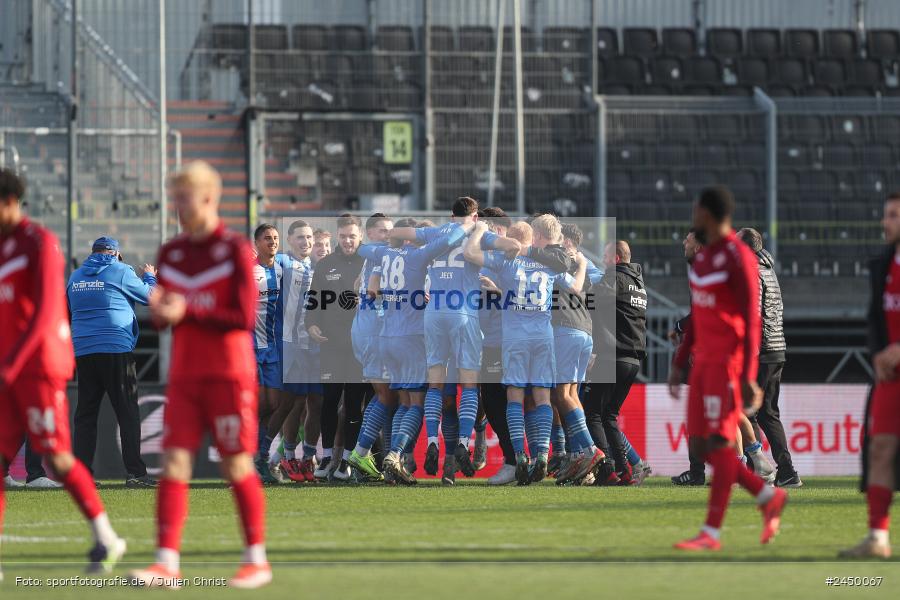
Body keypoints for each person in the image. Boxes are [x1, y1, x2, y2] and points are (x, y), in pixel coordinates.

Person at [130, 161, 270, 588]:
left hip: (228, 375)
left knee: (236, 464)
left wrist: (186, 310)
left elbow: (242, 318)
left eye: (185, 198)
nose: (179, 206)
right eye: (175, 198)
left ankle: (256, 560)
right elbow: (167, 318)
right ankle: (166, 564)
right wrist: (160, 312)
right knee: (173, 463)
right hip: (185, 375)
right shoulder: (171, 253)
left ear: (209, 198)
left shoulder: (233, 250)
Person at [0, 167, 126, 579]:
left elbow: (45, 313)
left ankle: (106, 536)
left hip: (37, 366)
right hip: (7, 368)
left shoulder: (39, 243)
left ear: (9, 202)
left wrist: (12, 364)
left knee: (56, 455)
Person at [668, 186, 787, 551]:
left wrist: (748, 375)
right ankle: (767, 498)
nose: (692, 217)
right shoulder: (702, 260)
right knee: (704, 446)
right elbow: (699, 316)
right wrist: (679, 362)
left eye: (696, 210)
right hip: (702, 364)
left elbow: (751, 320)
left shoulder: (739, 257)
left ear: (708, 213)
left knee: (718, 443)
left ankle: (711, 532)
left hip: (727, 363)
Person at [388, 197, 519, 479]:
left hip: (433, 315)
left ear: (451, 216)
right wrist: (491, 244)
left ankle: (432, 441)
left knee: (435, 385)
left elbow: (396, 233)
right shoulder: (478, 233)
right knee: (469, 386)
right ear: (475, 217)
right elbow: (513, 246)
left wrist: (396, 246)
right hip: (463, 314)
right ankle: (462, 442)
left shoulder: (435, 233)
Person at [464, 216, 588, 485]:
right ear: (532, 240)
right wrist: (582, 265)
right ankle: (542, 454)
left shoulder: (506, 260)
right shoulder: (549, 264)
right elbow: (577, 288)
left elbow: (471, 253)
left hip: (515, 339)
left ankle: (520, 456)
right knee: (543, 397)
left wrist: (481, 231)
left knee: (515, 397)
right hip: (543, 337)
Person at [359, 218, 473, 484]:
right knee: (424, 402)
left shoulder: (385, 254)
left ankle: (395, 457)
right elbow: (446, 242)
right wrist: (468, 225)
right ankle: (400, 455)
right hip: (420, 339)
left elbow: (367, 268)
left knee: (403, 401)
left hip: (391, 336)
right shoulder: (421, 258)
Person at [67, 236, 157, 487]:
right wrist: (150, 277)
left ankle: (81, 476)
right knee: (127, 412)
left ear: (93, 252)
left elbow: (69, 309)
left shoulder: (75, 277)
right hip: (115, 347)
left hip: (83, 349)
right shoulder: (121, 270)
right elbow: (152, 297)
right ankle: (136, 474)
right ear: (116, 254)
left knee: (85, 414)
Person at [839, 192, 900, 559]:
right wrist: (877, 352)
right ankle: (878, 537)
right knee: (880, 448)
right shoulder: (883, 265)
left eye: (893, 215)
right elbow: (874, 317)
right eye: (886, 214)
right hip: (890, 378)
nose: (885, 222)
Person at [306, 214, 368, 482]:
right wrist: (311, 325)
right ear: (337, 237)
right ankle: (327, 457)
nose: (347, 241)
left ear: (360, 236)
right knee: (329, 401)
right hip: (330, 345)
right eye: (343, 236)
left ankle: (346, 461)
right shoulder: (325, 264)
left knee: (354, 405)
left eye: (352, 236)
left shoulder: (370, 262)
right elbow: (314, 301)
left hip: (359, 346)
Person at [737, 227, 800, 488]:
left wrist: (749, 354)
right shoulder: (769, 270)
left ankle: (761, 470)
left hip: (761, 351)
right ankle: (786, 471)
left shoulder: (751, 270)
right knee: (767, 413)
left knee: (747, 410)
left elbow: (753, 313)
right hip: (776, 348)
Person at [583, 240, 648, 485]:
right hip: (632, 360)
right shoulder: (638, 284)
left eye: (606, 255)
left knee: (592, 412)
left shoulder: (615, 278)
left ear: (617, 258)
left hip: (612, 357)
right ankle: (624, 470)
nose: (603, 259)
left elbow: (592, 299)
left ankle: (607, 469)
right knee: (609, 415)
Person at [251, 223, 287, 485]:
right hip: (250, 347)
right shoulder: (248, 271)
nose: (272, 242)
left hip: (272, 348)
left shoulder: (282, 268)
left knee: (273, 405)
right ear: (257, 243)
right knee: (257, 405)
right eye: (267, 238)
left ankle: (260, 457)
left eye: (275, 238)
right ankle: (248, 460)